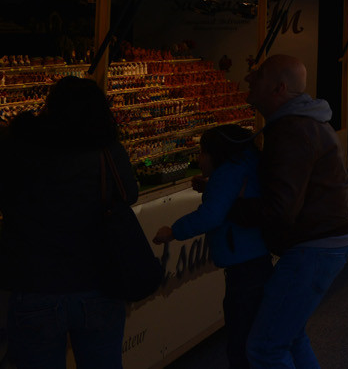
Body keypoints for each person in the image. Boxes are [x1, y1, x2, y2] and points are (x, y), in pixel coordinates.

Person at [0, 76, 138, 369]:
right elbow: (130, 193)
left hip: (35, 288)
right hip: (99, 285)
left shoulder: (20, 149)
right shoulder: (106, 151)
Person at [233, 54, 348, 369]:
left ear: (278, 89)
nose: (248, 79)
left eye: (257, 75)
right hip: (324, 242)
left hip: (313, 249)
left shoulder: (291, 131)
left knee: (265, 348)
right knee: (290, 334)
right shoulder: (303, 123)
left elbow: (281, 208)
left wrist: (231, 205)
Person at [154, 124, 270, 369]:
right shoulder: (245, 165)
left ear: (217, 153)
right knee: (256, 334)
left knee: (241, 340)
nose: (199, 159)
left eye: (202, 152)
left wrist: (173, 231)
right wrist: (209, 186)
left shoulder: (227, 173)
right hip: (257, 259)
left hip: (242, 265)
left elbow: (210, 216)